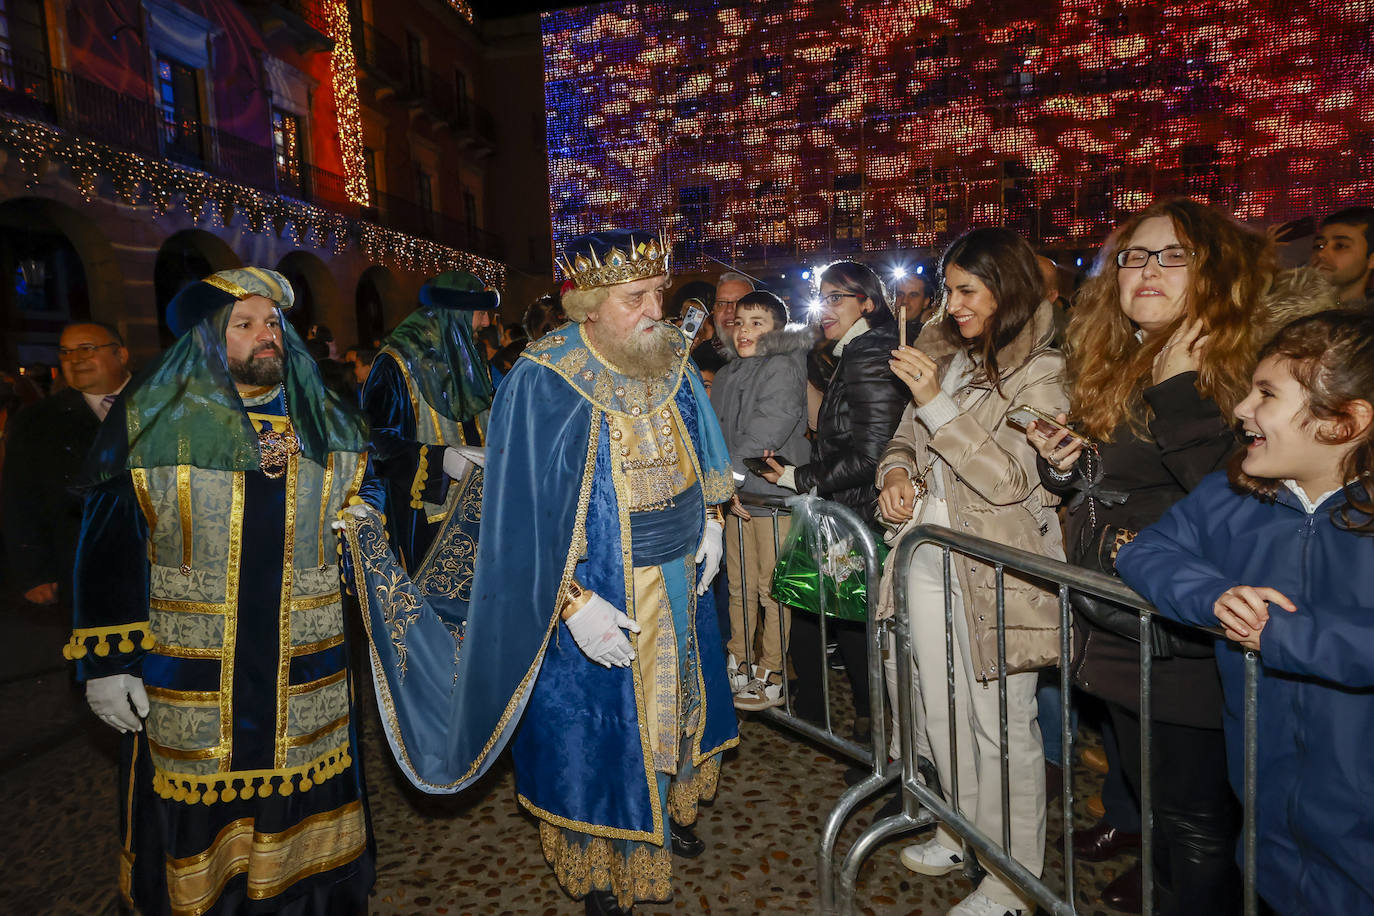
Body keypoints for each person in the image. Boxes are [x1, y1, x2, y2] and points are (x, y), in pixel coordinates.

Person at [343, 230, 737, 916]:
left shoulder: (667, 352)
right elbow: (517, 514)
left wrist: (714, 519)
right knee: (606, 729)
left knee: (678, 703)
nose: (656, 310)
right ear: (587, 305)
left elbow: (701, 436)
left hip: (679, 575)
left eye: (656, 294)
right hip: (597, 588)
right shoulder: (542, 376)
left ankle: (665, 815)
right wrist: (573, 603)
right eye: (636, 297)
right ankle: (607, 856)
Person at [67, 268, 375, 914]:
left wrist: (364, 524)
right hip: (193, 667)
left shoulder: (325, 417)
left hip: (306, 663)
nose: (267, 337)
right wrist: (107, 664)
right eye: (246, 325)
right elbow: (109, 546)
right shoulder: (153, 418)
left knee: (305, 803)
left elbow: (365, 495)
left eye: (274, 324)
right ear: (210, 339)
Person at [1024, 198, 1279, 915]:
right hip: (1127, 620)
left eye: (1173, 256)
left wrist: (1178, 380)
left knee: (1195, 819)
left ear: (1215, 271)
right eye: (1134, 255)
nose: (1146, 269)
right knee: (1159, 800)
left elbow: (1230, 505)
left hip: (1184, 631)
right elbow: (1124, 484)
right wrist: (1067, 467)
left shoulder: (1234, 370)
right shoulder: (1135, 357)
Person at [1117, 310, 1374, 915]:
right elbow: (1150, 552)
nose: (1241, 410)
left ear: (1346, 421)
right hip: (1269, 817)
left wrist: (1281, 635)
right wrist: (1212, 595)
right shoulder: (1235, 493)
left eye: (1267, 394)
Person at [878, 227, 1067, 916]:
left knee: (1001, 722)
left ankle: (1014, 880)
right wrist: (895, 472)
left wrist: (934, 402)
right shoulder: (949, 357)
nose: (951, 304)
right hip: (927, 550)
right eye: (949, 288)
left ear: (1005, 288)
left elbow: (1009, 479)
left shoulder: (1041, 371)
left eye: (966, 290)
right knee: (938, 705)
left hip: (997, 567)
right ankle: (960, 830)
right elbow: (905, 437)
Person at [761, 260, 907, 740]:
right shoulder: (855, 350)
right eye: (820, 298)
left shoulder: (868, 354)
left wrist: (799, 476)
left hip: (864, 512)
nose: (825, 309)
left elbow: (873, 454)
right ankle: (862, 722)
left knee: (857, 624)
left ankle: (876, 730)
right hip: (853, 508)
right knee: (843, 619)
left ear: (868, 301)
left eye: (836, 298)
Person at [709, 289, 811, 710]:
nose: (744, 330)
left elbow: (767, 428)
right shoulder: (732, 372)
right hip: (738, 496)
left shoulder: (784, 366)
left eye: (757, 323)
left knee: (772, 589)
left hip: (770, 497)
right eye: (739, 322)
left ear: (777, 330)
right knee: (739, 586)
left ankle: (771, 669)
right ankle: (740, 659)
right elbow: (717, 429)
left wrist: (724, 479)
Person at [361, 270, 498, 574]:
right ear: (455, 314)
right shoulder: (395, 363)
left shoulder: (472, 356)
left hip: (486, 510)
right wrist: (439, 460)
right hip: (428, 521)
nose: (487, 323)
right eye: (481, 313)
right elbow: (374, 440)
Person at [3, 321, 130, 607]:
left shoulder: (166, 405)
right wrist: (34, 571)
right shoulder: (37, 421)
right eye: (65, 352)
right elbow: (20, 498)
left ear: (121, 355)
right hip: (83, 568)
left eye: (87, 349)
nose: (75, 360)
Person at [1310, 206, 1373, 306]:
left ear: (1372, 260)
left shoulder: (1367, 319)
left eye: (1340, 246)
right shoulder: (1286, 309)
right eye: (1319, 245)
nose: (1321, 254)